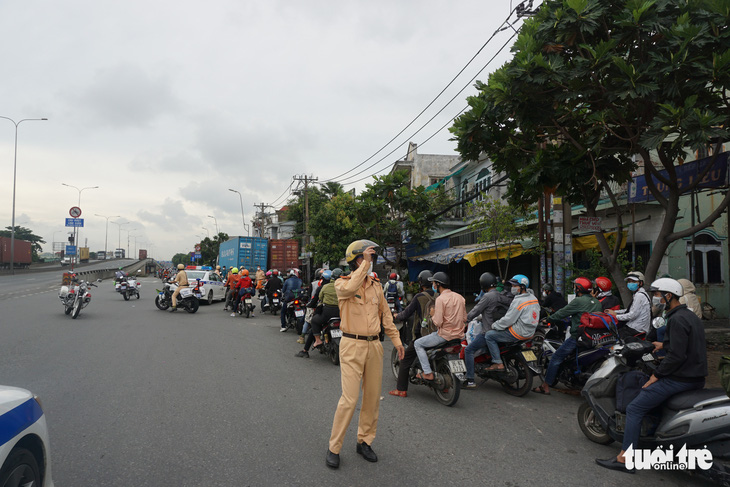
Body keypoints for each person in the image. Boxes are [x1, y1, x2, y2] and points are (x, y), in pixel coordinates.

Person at [596, 277, 707, 473]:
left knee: (635, 407)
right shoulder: (689, 316)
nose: (655, 298)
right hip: (695, 376)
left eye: (657, 295)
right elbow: (688, 346)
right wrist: (663, 344)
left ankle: (625, 459)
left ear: (668, 296)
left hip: (680, 378)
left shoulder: (676, 319)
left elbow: (676, 356)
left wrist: (656, 375)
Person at [326, 240, 404, 469]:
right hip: (351, 344)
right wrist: (363, 267)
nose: (370, 262)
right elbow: (350, 289)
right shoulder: (343, 283)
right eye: (366, 258)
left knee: (371, 398)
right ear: (355, 260)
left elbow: (386, 317)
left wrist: (397, 341)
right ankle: (334, 447)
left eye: (371, 258)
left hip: (374, 347)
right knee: (349, 400)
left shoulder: (377, 286)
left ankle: (364, 441)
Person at [533, 277, 602, 394]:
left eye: (575, 286)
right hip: (593, 337)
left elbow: (562, 313)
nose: (574, 288)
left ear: (579, 288)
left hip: (578, 337)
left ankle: (545, 386)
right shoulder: (596, 302)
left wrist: (548, 319)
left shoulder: (578, 301)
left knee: (556, 358)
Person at [388, 270, 438, 397]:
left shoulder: (419, 297)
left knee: (405, 360)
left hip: (423, 334)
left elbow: (406, 313)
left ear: (421, 283)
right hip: (439, 333)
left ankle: (401, 390)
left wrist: (397, 316)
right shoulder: (439, 296)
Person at [462, 272, 514, 389]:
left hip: (489, 331)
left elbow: (475, 311)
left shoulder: (487, 297)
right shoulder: (504, 294)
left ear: (483, 285)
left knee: (469, 350)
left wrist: (464, 319)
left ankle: (470, 380)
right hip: (504, 330)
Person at [411, 272, 466, 382]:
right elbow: (464, 318)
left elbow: (438, 322)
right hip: (459, 336)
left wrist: (432, 314)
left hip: (444, 335)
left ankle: (427, 373)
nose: (433, 285)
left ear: (438, 284)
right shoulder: (460, 297)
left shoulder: (441, 299)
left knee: (418, 344)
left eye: (434, 283)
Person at [483, 274, 540, 372]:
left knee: (489, 335)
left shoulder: (518, 301)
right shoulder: (533, 298)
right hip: (530, 332)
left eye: (514, 286)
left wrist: (495, 325)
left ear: (522, 287)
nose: (512, 288)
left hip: (518, 333)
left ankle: (497, 362)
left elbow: (508, 320)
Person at [297, 269, 340, 357]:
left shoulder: (322, 287)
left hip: (327, 313)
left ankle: (315, 342)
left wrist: (310, 305)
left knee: (314, 322)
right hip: (341, 313)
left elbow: (318, 298)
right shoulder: (344, 287)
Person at [607, 271, 651, 335]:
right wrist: (615, 312)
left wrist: (615, 316)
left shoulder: (640, 296)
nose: (630, 283)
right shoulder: (638, 294)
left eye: (633, 281)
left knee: (613, 335)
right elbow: (630, 309)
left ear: (640, 283)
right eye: (629, 281)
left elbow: (632, 315)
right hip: (636, 326)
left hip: (637, 329)